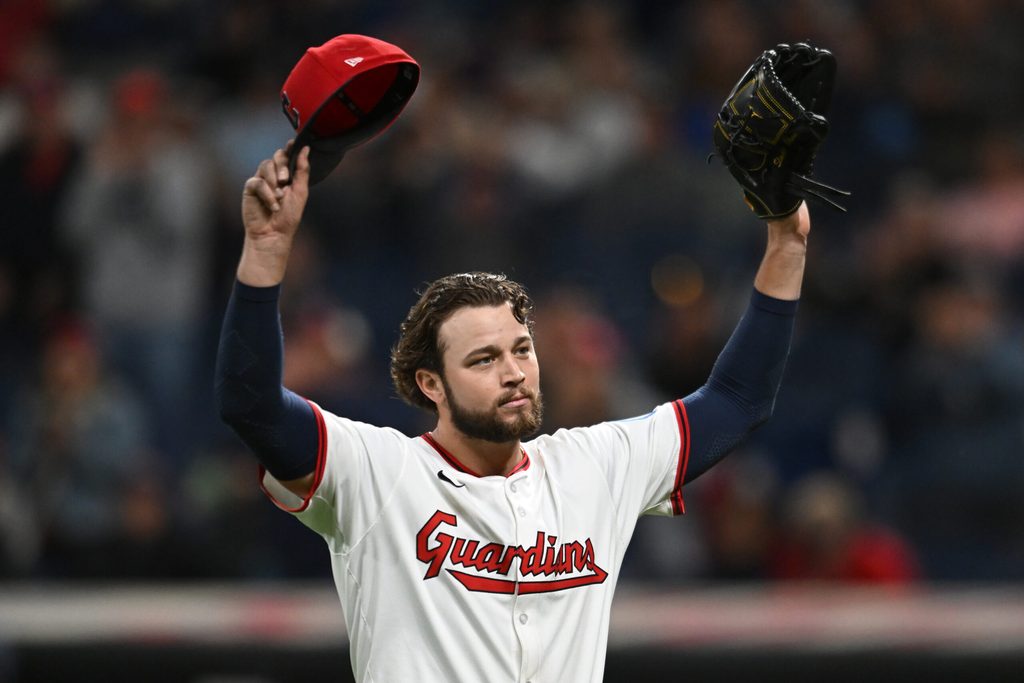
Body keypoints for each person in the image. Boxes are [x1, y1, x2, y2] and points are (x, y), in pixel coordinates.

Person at [215, 141, 809, 682]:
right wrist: (265, 258)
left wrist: (786, 244)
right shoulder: (377, 472)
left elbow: (738, 400)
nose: (513, 372)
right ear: (432, 385)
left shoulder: (596, 466)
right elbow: (253, 405)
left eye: (521, 349)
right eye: (482, 360)